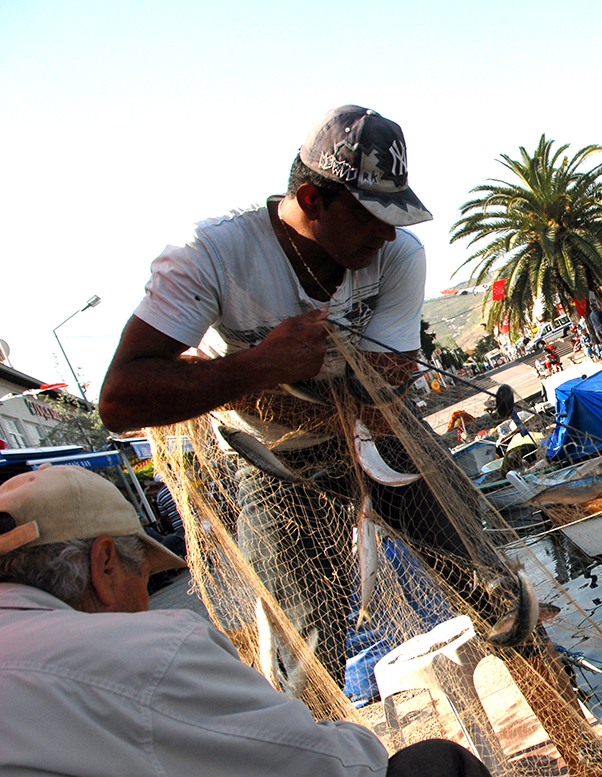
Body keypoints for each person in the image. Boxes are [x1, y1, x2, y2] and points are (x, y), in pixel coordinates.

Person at [99, 106, 478, 687]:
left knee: (488, 579)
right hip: (277, 464)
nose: (387, 231)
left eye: (395, 213)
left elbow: (391, 377)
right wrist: (258, 367)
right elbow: (120, 399)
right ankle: (320, 768)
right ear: (312, 198)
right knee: (306, 656)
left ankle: (583, 753)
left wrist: (302, 390)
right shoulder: (211, 256)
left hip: (384, 437)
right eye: (370, 214)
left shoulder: (398, 253)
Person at [0, 464, 529, 777]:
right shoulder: (138, 652)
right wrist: (353, 741)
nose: (143, 595)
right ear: (106, 563)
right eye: (141, 574)